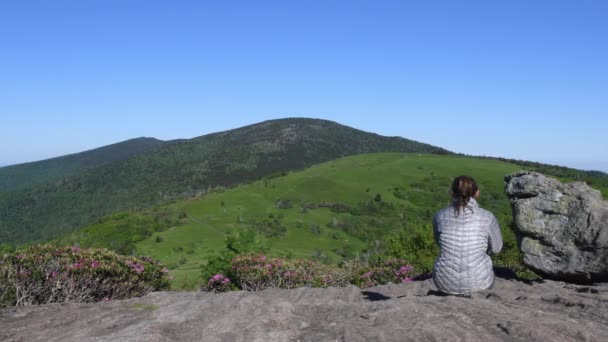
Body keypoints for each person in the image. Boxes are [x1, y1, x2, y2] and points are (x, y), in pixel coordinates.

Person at [432, 175, 503, 295]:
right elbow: (497, 248)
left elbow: (439, 242)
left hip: (444, 283)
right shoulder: (487, 217)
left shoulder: (439, 216)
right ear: (477, 193)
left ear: (451, 193)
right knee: (490, 275)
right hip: (479, 284)